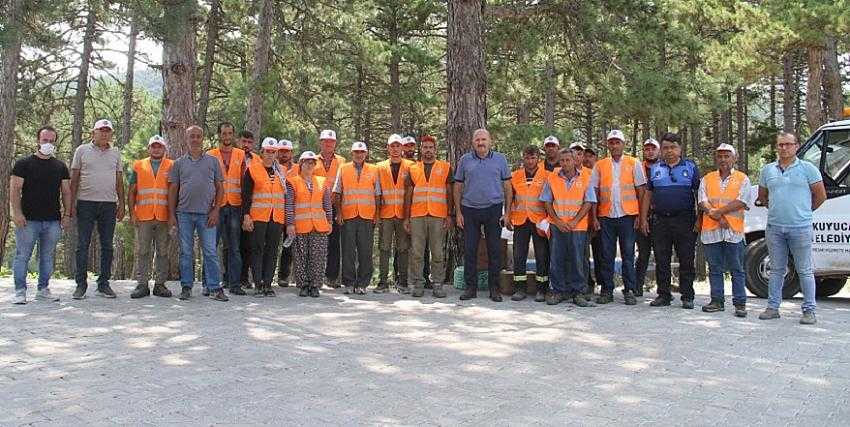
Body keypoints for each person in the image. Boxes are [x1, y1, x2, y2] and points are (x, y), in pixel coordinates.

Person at [756, 132, 826, 325]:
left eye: (788, 144)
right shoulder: (768, 170)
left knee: (805, 270)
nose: (784, 148)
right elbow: (763, 196)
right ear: (776, 147)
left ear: (797, 146)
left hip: (800, 227)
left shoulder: (808, 169)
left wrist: (805, 210)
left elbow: (820, 195)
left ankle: (809, 310)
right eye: (780, 145)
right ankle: (772, 308)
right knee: (776, 269)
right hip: (775, 228)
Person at [10, 126, 71, 304]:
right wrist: (17, 213)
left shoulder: (60, 166)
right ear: (38, 141)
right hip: (28, 220)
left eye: (52, 141)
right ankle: (20, 291)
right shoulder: (24, 164)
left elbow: (66, 192)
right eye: (45, 140)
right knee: (22, 255)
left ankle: (43, 289)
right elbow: (14, 190)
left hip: (52, 220)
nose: (48, 144)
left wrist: (67, 215)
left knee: (47, 256)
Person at [168, 125, 229, 302]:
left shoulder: (212, 162)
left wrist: (216, 209)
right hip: (184, 214)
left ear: (202, 139)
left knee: (210, 251)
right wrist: (172, 215)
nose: (195, 139)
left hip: (207, 215)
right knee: (186, 252)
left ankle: (214, 288)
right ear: (186, 139)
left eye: (198, 136)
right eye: (191, 136)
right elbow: (173, 189)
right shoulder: (179, 163)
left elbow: (220, 188)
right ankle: (186, 287)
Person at [642, 132, 700, 309]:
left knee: (686, 259)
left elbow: (699, 194)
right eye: (665, 148)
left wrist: (700, 220)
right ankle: (663, 295)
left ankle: (687, 295)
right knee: (661, 259)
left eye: (673, 147)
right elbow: (647, 194)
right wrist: (643, 218)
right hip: (660, 221)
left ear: (680, 149)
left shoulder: (690, 167)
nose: (669, 151)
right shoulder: (655, 169)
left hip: (685, 220)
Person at [454, 128, 512, 302]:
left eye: (483, 139)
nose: (481, 143)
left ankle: (494, 288)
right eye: (477, 140)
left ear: (490, 141)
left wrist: (507, 212)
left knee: (494, 250)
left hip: (493, 209)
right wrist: (457, 212)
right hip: (469, 210)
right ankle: (470, 287)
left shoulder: (500, 160)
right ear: (473, 142)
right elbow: (457, 186)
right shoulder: (465, 160)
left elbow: (508, 187)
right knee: (470, 249)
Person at [69, 119, 125, 299]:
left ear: (111, 134)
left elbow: (119, 180)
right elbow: (74, 179)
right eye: (101, 130)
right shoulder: (82, 150)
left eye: (108, 131)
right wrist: (70, 204)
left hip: (108, 204)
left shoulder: (116, 153)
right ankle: (81, 285)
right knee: (83, 245)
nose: (104, 133)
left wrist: (122, 203)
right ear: (93, 132)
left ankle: (103, 283)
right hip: (85, 202)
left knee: (107, 245)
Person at [590, 129, 647, 305]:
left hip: (627, 216)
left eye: (617, 142)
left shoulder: (634, 163)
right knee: (606, 254)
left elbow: (641, 191)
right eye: (611, 142)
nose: (614, 145)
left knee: (628, 254)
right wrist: (594, 217)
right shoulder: (600, 165)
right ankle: (607, 290)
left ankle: (629, 289)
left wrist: (640, 216)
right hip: (606, 216)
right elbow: (594, 192)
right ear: (608, 145)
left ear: (623, 144)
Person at [699, 144, 750, 317]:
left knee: (737, 268)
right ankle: (717, 301)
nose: (723, 159)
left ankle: (740, 303)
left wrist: (718, 212)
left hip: (733, 232)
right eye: (720, 156)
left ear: (734, 158)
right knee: (714, 267)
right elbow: (702, 201)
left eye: (727, 156)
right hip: (711, 231)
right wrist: (717, 216)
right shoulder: (707, 178)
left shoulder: (743, 179)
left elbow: (742, 201)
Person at [540, 148, 596, 306]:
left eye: (568, 160)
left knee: (578, 260)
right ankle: (559, 291)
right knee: (557, 259)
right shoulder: (552, 178)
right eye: (562, 160)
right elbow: (547, 202)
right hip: (558, 226)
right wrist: (557, 221)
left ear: (575, 161)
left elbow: (588, 201)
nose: (565, 163)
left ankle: (578, 292)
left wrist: (575, 221)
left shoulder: (586, 177)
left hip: (577, 227)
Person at [403, 135, 453, 298]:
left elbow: (449, 193)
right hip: (417, 215)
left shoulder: (445, 167)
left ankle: (438, 284)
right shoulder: (413, 168)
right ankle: (418, 283)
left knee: (437, 252)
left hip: (438, 215)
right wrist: (406, 217)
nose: (428, 150)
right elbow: (408, 194)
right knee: (417, 252)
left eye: (431, 147)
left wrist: (449, 214)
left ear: (435, 150)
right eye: (425, 147)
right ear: (421, 149)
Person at [127, 135, 174, 299]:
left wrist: (173, 216)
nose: (156, 149)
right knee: (143, 251)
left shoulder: (171, 165)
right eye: (153, 146)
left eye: (159, 146)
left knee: (162, 251)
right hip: (144, 215)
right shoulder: (139, 165)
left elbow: (175, 191)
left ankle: (160, 284)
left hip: (163, 216)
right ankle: (142, 284)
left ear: (164, 149)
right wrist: (132, 213)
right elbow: (132, 191)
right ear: (149, 148)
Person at [334, 141, 381, 294]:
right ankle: (348, 282)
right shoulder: (343, 168)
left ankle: (362, 283)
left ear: (366, 154)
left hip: (367, 216)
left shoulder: (374, 170)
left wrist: (377, 215)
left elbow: (378, 194)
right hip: (348, 216)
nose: (359, 155)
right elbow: (337, 193)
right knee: (348, 251)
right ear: (352, 153)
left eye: (362, 152)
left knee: (365, 251)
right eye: (356, 152)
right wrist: (339, 213)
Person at [241, 138, 286, 297]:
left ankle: (268, 284)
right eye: (267, 151)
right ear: (262, 152)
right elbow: (246, 196)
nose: (270, 154)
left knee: (272, 251)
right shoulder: (252, 169)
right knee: (257, 250)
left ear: (276, 154)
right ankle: (258, 284)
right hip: (258, 216)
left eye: (273, 152)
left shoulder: (281, 171)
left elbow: (285, 196)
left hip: (277, 217)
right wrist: (246, 216)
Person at [207, 122, 247, 295]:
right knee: (211, 245)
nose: (227, 137)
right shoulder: (210, 155)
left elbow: (244, 181)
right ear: (219, 135)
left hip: (235, 205)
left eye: (230, 133)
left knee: (234, 247)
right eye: (224, 133)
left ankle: (234, 284)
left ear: (233, 135)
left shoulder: (240, 154)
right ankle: (208, 284)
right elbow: (207, 182)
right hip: (217, 206)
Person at [287, 151, 333, 297]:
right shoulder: (292, 181)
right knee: (300, 256)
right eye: (307, 162)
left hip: (319, 225)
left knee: (318, 256)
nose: (310, 164)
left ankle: (315, 285)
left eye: (313, 162)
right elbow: (289, 205)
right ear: (301, 164)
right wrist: (290, 224)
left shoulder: (321, 181)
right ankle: (303, 285)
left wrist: (330, 220)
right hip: (300, 225)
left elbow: (327, 203)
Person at [509, 145, 549, 302]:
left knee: (542, 255)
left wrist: (548, 220)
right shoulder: (515, 176)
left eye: (533, 158)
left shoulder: (546, 175)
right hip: (520, 220)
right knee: (519, 255)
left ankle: (541, 289)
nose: (530, 161)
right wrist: (507, 216)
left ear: (538, 158)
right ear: (523, 158)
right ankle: (519, 288)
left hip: (539, 220)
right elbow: (509, 197)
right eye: (527, 157)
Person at [376, 134, 413, 293]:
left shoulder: (411, 166)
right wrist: (376, 214)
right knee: (384, 248)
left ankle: (403, 281)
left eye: (398, 146)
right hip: (385, 215)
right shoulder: (379, 167)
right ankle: (383, 282)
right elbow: (376, 192)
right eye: (392, 146)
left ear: (402, 148)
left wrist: (409, 216)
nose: (395, 149)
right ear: (388, 148)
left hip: (403, 215)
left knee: (403, 248)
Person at [315, 129, 347, 288]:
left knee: (334, 243)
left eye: (331, 141)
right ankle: (316, 276)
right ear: (320, 142)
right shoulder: (312, 160)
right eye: (325, 141)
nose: (328, 144)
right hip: (315, 207)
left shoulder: (342, 161)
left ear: (335, 143)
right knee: (316, 242)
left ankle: (332, 277)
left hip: (335, 206)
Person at [634, 138, 659, 297]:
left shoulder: (663, 168)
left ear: (658, 151)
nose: (650, 151)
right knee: (642, 254)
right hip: (640, 216)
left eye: (653, 148)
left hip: (659, 218)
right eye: (647, 149)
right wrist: (638, 215)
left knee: (661, 254)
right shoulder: (637, 168)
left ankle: (664, 288)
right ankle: (637, 286)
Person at [276, 139, 296, 288]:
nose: (283, 154)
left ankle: (284, 277)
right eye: (281, 151)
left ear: (291, 153)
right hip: (273, 211)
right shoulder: (271, 167)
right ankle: (267, 276)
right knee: (270, 245)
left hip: (292, 213)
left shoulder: (298, 169)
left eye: (286, 151)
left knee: (289, 246)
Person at [237, 130, 256, 289]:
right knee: (230, 243)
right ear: (238, 141)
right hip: (231, 203)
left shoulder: (257, 160)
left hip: (249, 205)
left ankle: (244, 277)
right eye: (243, 141)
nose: (246, 145)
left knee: (247, 244)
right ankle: (228, 277)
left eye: (249, 142)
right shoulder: (232, 155)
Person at [583, 146, 603, 295]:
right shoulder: (578, 174)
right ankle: (587, 282)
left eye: (591, 156)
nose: (587, 158)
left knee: (600, 253)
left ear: (596, 158)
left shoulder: (601, 173)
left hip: (599, 219)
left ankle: (602, 284)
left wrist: (596, 218)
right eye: (585, 156)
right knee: (583, 254)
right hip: (581, 221)